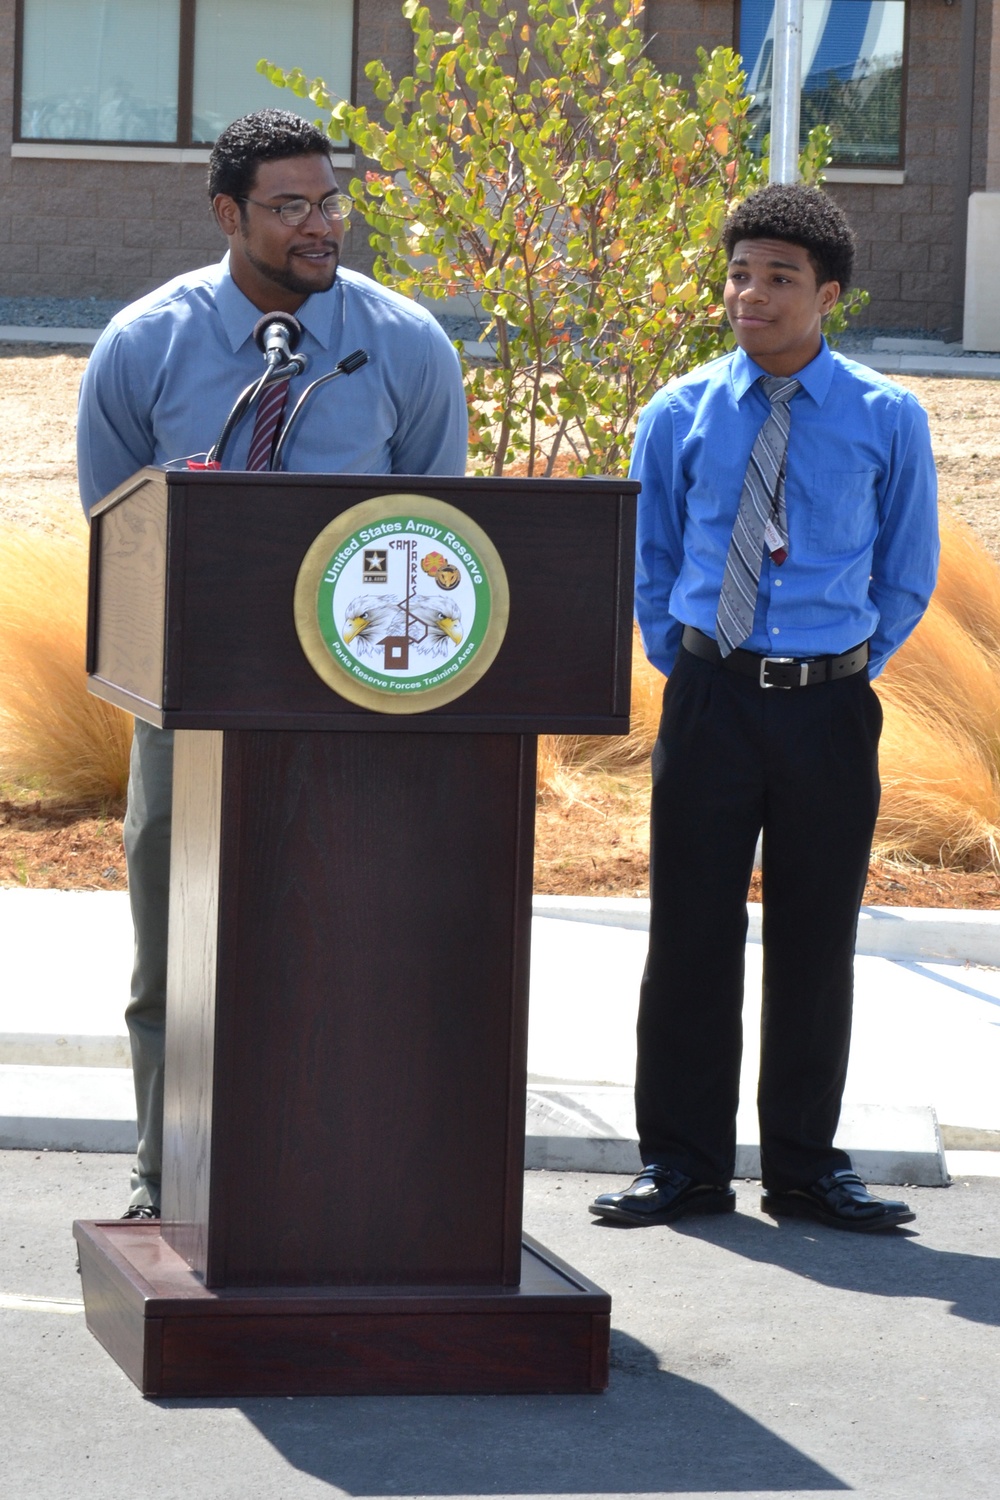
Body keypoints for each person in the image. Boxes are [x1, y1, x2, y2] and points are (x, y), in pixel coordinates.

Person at [77, 108, 468, 1218]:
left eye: (330, 203)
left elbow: (438, 534)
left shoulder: (403, 344)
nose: (318, 227)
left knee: (349, 947)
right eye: (289, 206)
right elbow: (119, 531)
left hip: (355, 715)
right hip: (190, 705)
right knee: (175, 952)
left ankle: (350, 1177)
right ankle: (166, 1170)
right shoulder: (145, 342)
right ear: (228, 214)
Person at [590, 184, 938, 1234]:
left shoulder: (887, 416)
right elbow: (651, 560)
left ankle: (802, 1167)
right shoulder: (680, 411)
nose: (750, 294)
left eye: (779, 277)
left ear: (826, 293)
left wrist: (841, 664)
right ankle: (682, 1165)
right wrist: (689, 662)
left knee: (813, 938)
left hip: (827, 712)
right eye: (739, 273)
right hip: (711, 700)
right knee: (689, 934)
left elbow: (905, 570)